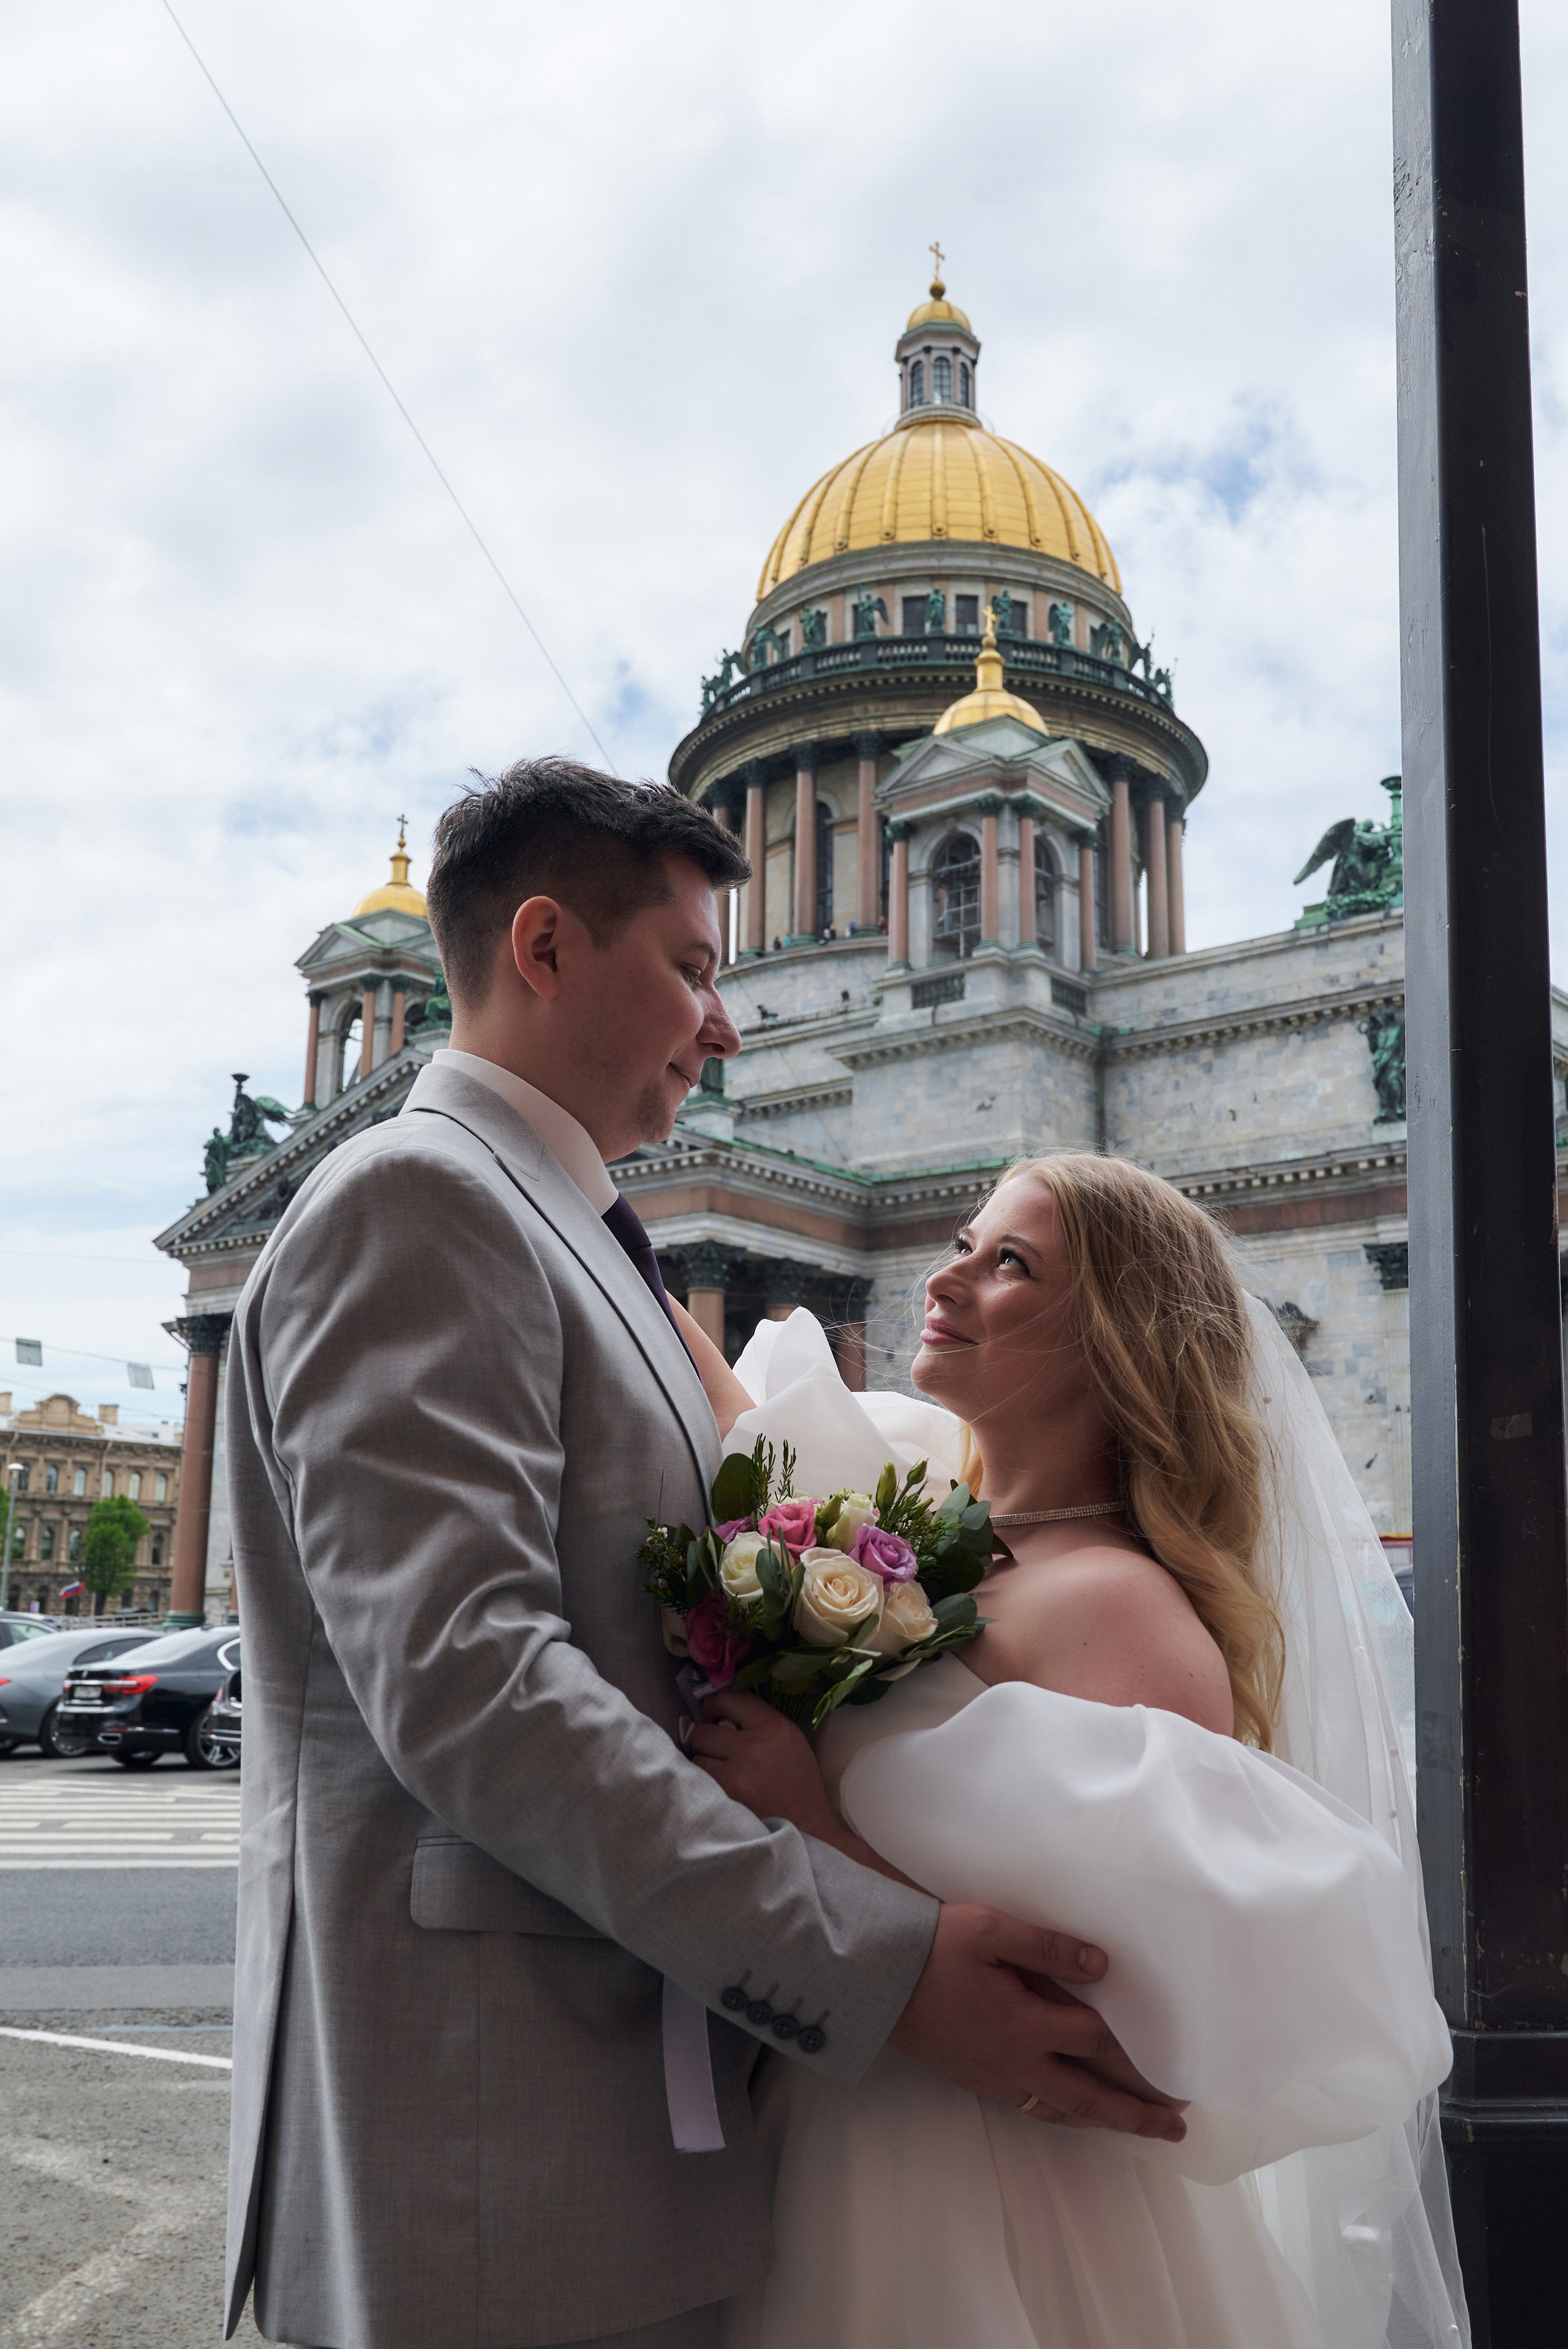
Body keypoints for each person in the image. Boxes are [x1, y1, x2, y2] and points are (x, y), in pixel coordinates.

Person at [221, 766, 1180, 2349]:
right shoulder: (422, 1199)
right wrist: (879, 1961)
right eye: (691, 964)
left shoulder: (569, 1233)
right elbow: (479, 1694)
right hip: (493, 2167)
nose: (727, 1025)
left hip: (621, 2135)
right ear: (543, 947)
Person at [690, 1154, 1469, 2349]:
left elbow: (1117, 2028)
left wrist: (816, 1829)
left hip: (984, 2196)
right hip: (811, 2132)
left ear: (1114, 1340)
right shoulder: (898, 1529)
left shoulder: (1118, 1608)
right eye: (963, 1238)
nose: (945, 1274)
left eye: (1008, 1263)